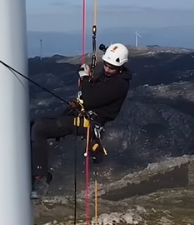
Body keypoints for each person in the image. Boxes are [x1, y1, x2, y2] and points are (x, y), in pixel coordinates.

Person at [30, 43, 133, 199]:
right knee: (35, 123)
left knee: (40, 129)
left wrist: (84, 78)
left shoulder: (119, 84)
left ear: (120, 66)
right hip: (83, 116)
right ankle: (34, 168)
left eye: (111, 67)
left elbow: (90, 99)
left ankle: (41, 179)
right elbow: (93, 95)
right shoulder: (110, 77)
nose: (106, 69)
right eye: (105, 64)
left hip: (90, 123)